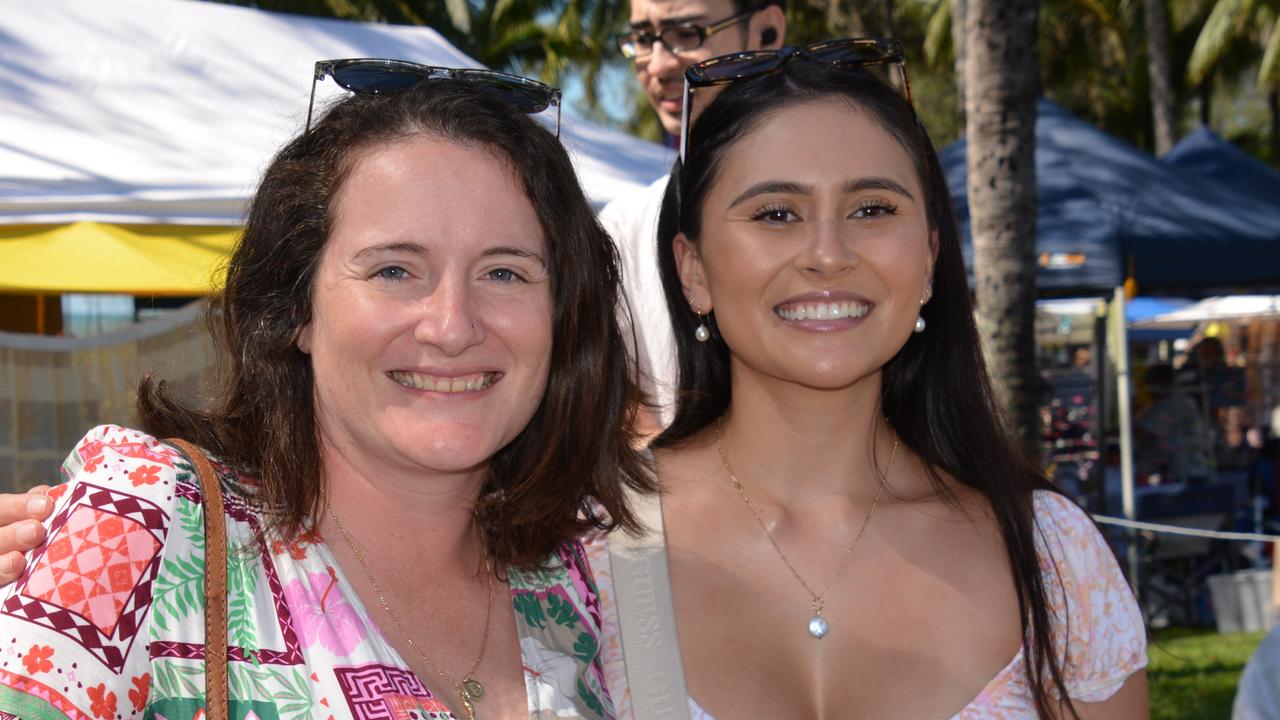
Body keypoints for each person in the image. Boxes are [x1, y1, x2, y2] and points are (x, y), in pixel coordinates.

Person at [0, 73, 652, 719]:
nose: (453, 326)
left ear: (564, 313)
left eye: (504, 272)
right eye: (394, 270)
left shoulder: (580, 580)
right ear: (297, 306)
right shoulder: (152, 525)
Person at [585, 46, 1149, 718]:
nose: (829, 254)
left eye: (873, 209)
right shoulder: (584, 546)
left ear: (932, 257)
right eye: (776, 214)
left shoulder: (1052, 560)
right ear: (693, 270)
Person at [602, 0, 787, 429]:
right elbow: (625, 415)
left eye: (687, 33)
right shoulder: (623, 229)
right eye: (644, 39)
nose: (660, 64)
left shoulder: (847, 204)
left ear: (766, 32)